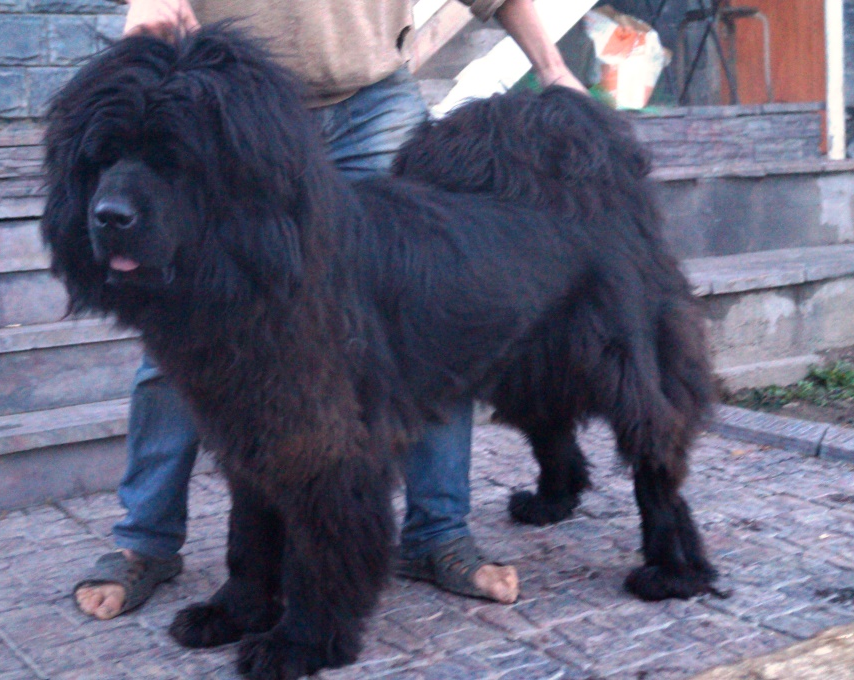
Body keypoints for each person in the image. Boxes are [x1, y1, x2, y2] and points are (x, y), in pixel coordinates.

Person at [74, 0, 586, 621]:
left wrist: (553, 67)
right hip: (223, 114)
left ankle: (437, 534)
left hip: (371, 101)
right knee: (184, 337)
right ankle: (146, 542)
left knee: (428, 322)